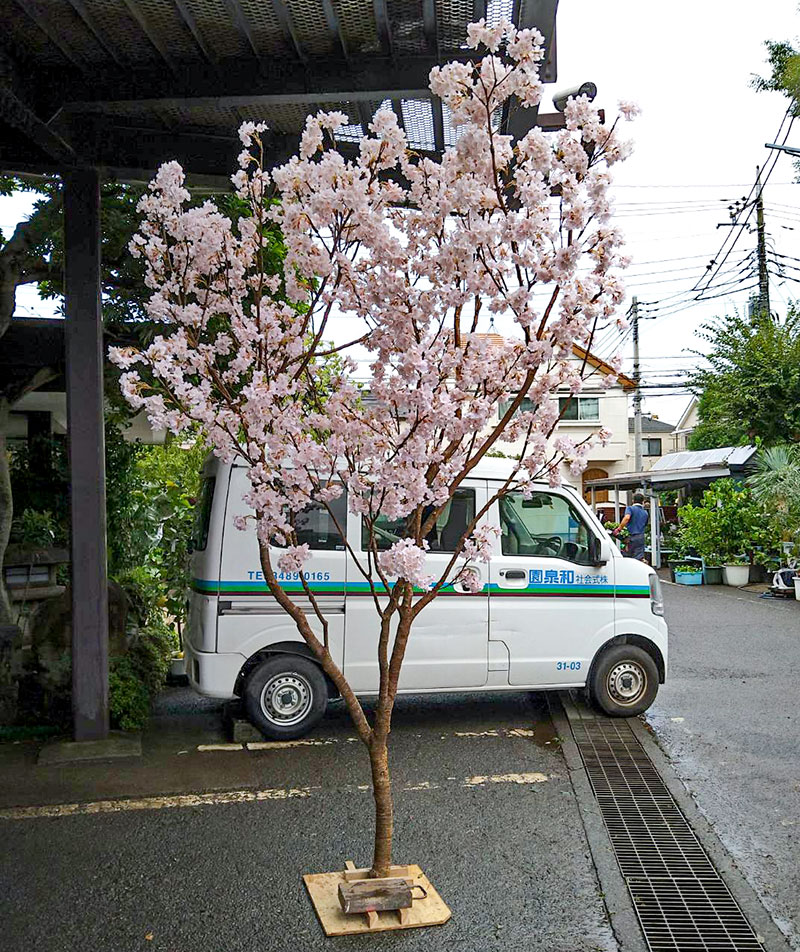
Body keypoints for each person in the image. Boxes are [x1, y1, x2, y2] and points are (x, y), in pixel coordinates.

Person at [614, 492, 649, 560]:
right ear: (643, 501)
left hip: (630, 537)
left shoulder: (630, 508)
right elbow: (645, 524)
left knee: (628, 557)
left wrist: (619, 529)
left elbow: (627, 518)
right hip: (640, 537)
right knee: (638, 558)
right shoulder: (645, 512)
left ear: (633, 500)